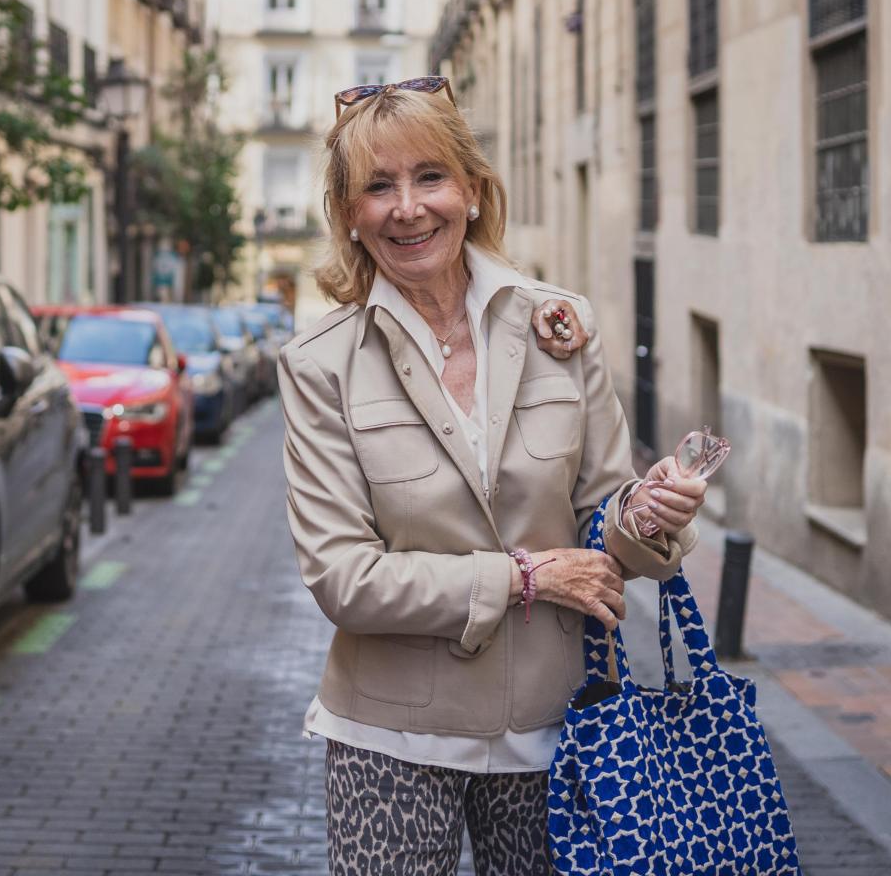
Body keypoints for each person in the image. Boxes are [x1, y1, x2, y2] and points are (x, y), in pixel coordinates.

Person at [279, 77, 707, 876]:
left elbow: (603, 517)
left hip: (562, 729)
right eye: (378, 186)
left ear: (472, 191)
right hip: (392, 736)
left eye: (429, 177)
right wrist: (524, 577)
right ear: (348, 215)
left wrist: (648, 516)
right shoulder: (319, 364)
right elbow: (344, 578)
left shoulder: (559, 327)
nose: (407, 207)